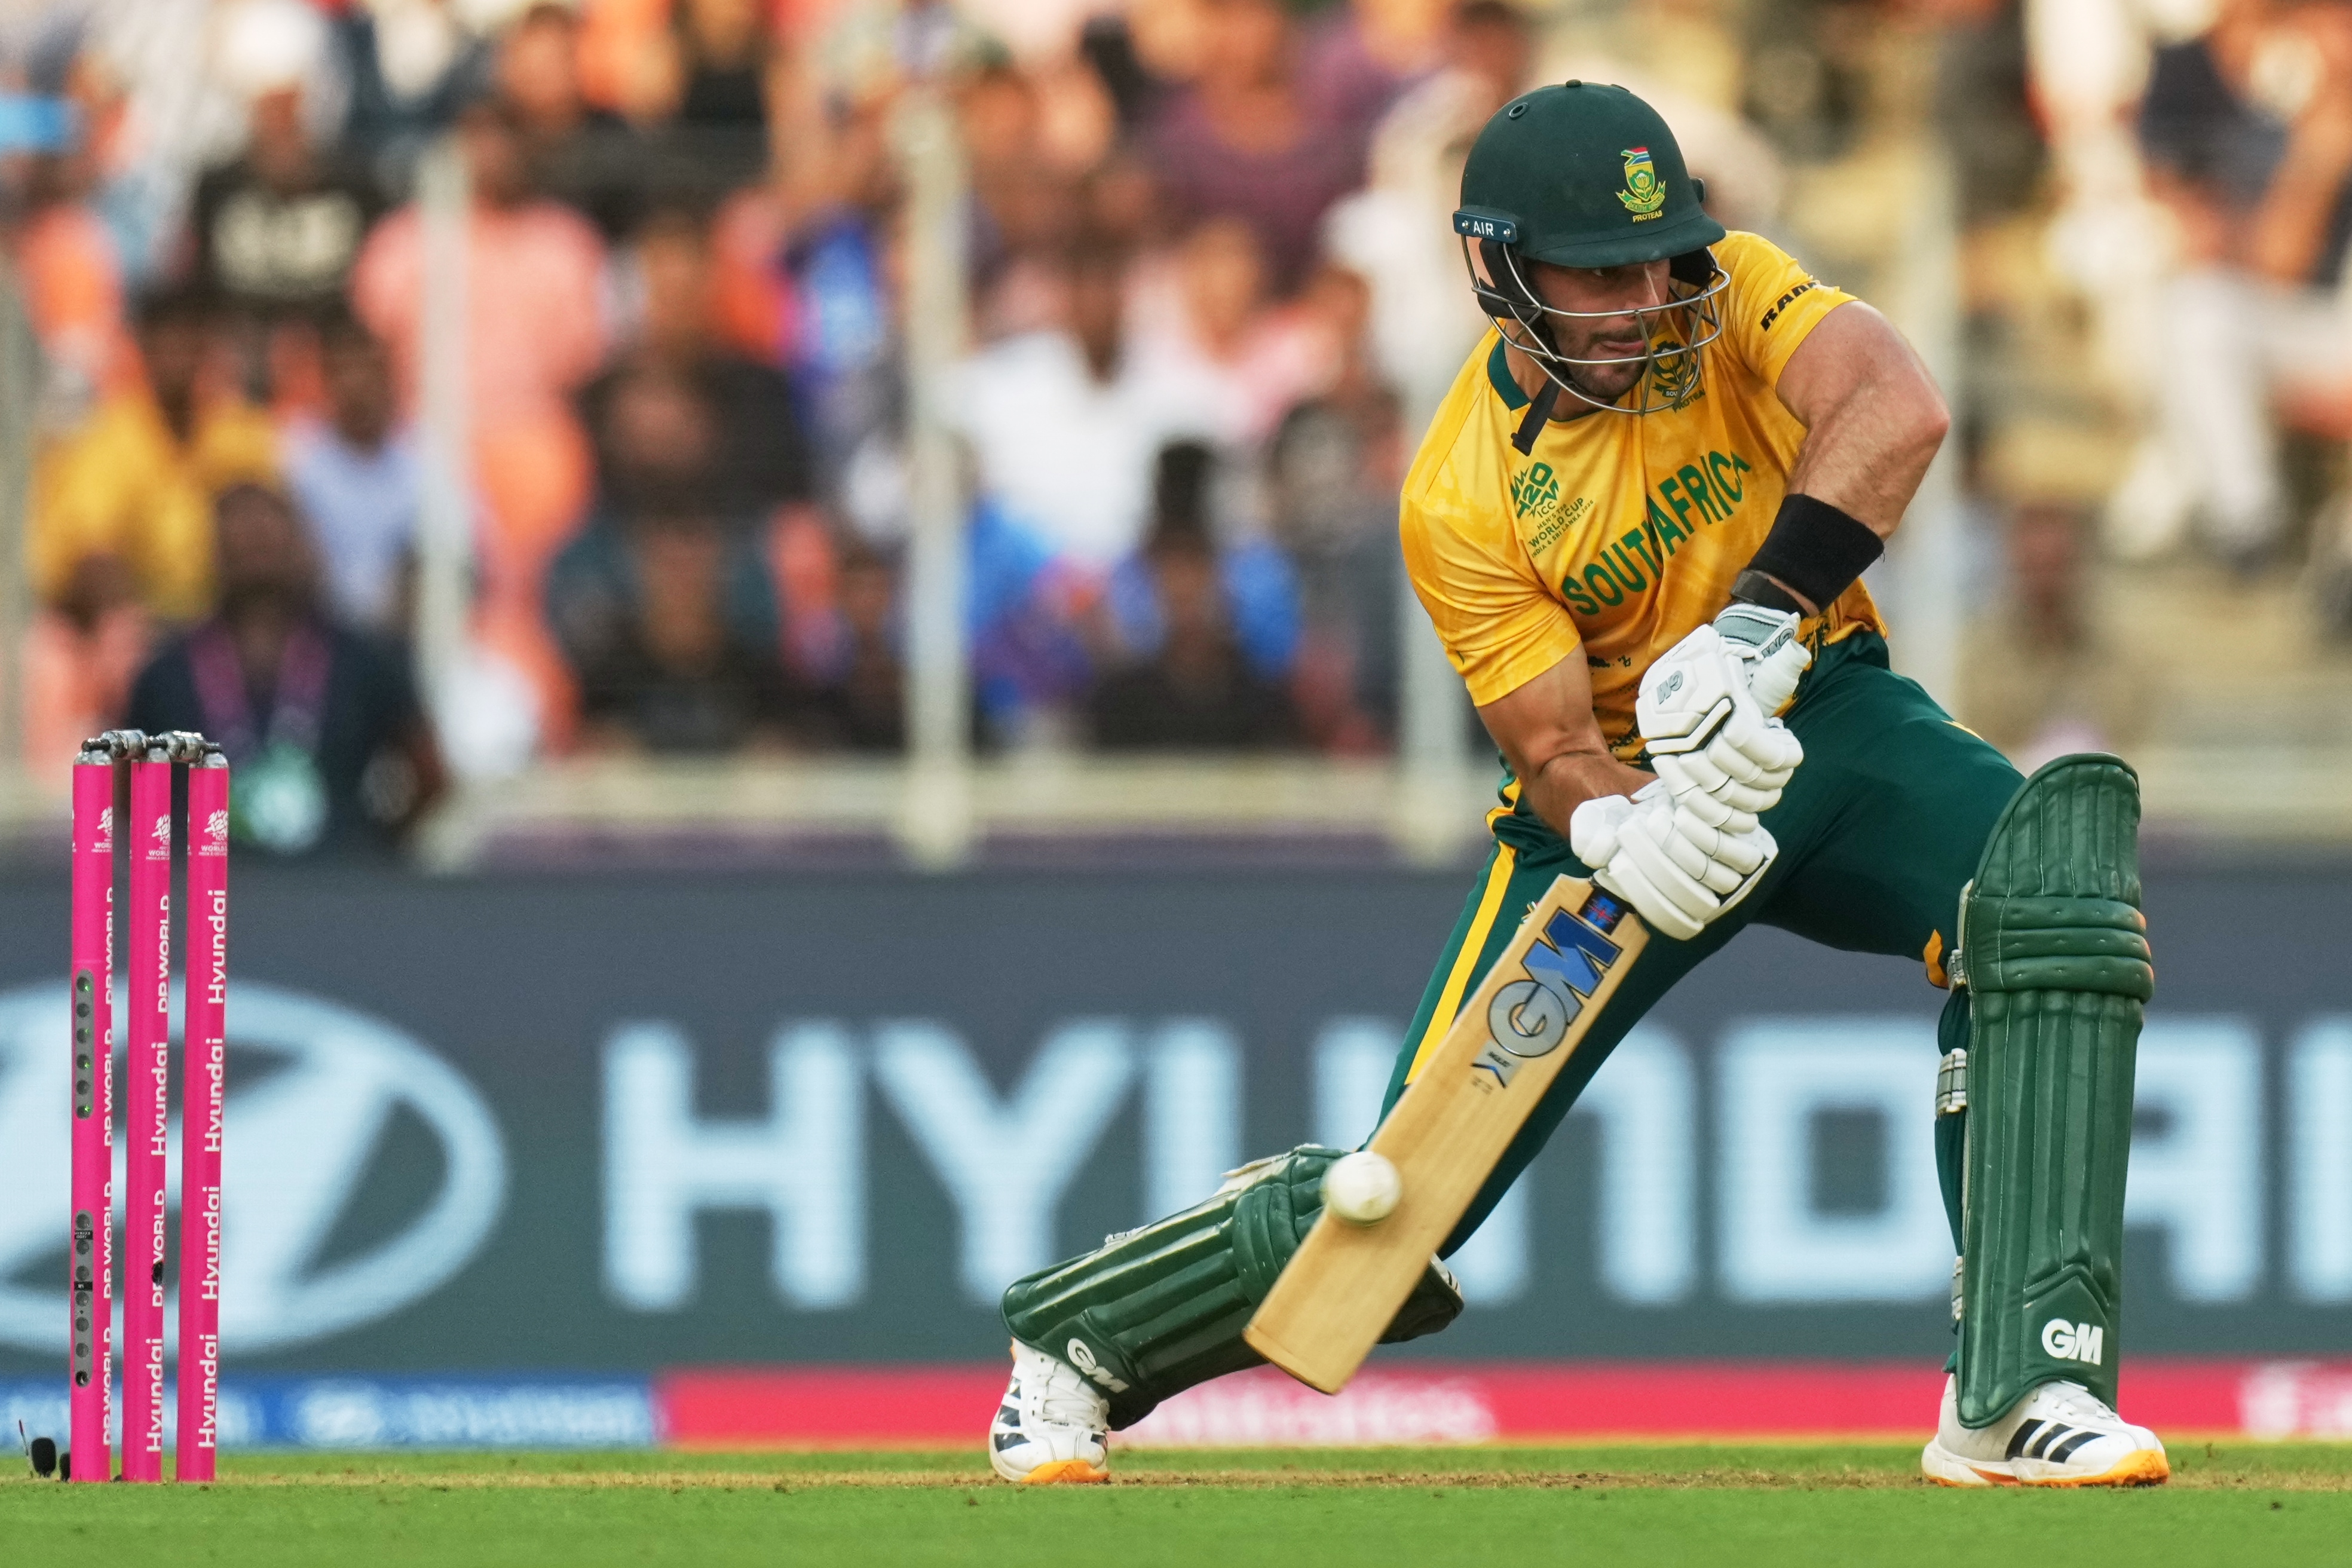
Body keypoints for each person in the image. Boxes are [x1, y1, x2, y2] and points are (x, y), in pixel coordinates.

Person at [985, 84, 2168, 1490]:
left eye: (1659, 257)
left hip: (1818, 711)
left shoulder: (1730, 294)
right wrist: (1620, 818)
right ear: (1497, 268)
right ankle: (1080, 1339)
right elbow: (1548, 747)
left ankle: (2023, 1384)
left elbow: (1894, 403)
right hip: (1611, 802)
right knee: (1400, 1202)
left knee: (2040, 884)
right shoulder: (1460, 493)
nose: (1645, 297)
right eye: (1600, 274)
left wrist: (1756, 621)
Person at [122, 482, 442, 858]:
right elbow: (129, 790)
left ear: (301, 548)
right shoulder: (168, 673)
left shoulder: (363, 659)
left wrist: (371, 849)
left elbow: (430, 774)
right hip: (209, 894)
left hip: (333, 892)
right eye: (242, 547)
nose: (256, 558)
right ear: (216, 556)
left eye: (267, 544)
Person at [34, 289, 278, 624]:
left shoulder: (242, 434)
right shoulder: (106, 437)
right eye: (166, 341)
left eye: (189, 341)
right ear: (143, 346)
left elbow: (275, 543)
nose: (178, 355)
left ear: (207, 348)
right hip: (139, 628)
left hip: (227, 624)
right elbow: (87, 555)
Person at [281, 310, 418, 633]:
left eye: (370, 369)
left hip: (404, 633)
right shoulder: (293, 455)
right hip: (316, 633)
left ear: (390, 377)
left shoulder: (424, 457)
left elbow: (467, 556)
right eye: (345, 370)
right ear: (325, 380)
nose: (359, 383)